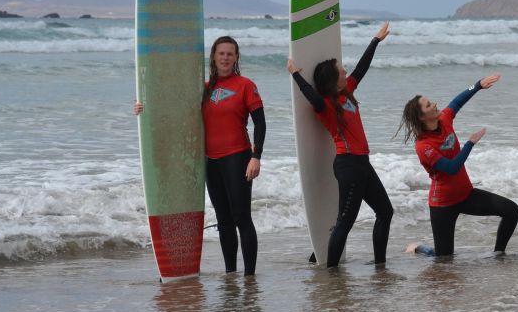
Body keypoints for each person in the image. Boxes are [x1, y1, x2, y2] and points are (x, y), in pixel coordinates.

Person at [135, 35, 266, 275]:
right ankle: (230, 274)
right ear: (213, 57)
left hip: (238, 157)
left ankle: (249, 277)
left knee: (241, 217)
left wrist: (256, 157)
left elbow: (260, 123)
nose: (225, 57)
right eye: (221, 53)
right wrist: (144, 107)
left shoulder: (245, 85)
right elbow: (174, 111)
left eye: (230, 53)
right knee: (224, 221)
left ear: (236, 57)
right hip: (211, 162)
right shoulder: (204, 89)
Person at [287, 21, 394, 268]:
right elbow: (311, 97)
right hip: (348, 165)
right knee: (345, 221)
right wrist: (295, 74)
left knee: (385, 212)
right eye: (341, 70)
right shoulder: (325, 105)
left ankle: (380, 265)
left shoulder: (347, 93)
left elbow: (361, 68)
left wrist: (375, 41)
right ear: (333, 79)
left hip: (362, 163)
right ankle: (331, 274)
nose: (346, 72)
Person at [398, 75, 518, 257]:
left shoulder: (444, 119)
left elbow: (458, 101)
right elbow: (451, 167)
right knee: (444, 257)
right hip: (443, 205)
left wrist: (478, 85)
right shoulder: (424, 146)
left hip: (466, 195)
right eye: (429, 105)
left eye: (431, 101)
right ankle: (418, 248)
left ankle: (498, 254)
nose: (434, 104)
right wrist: (470, 143)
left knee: (511, 210)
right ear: (422, 117)